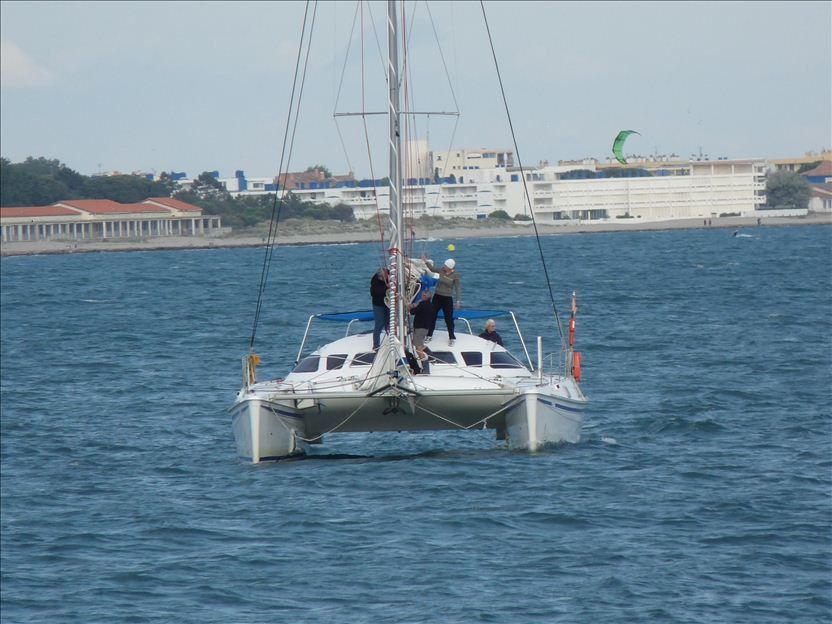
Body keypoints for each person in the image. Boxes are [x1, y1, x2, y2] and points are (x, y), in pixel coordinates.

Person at [422, 256, 462, 346]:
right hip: (437, 297)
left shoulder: (455, 275)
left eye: (446, 265)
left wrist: (458, 300)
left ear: (450, 267)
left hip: (447, 298)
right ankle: (429, 335)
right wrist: (426, 261)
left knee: (449, 319)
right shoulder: (441, 270)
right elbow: (432, 269)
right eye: (444, 265)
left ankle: (451, 337)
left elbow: (458, 288)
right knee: (432, 316)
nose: (444, 266)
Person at [370, 267, 389, 350]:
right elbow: (377, 292)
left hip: (387, 303)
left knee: (389, 322)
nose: (386, 277)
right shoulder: (375, 282)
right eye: (385, 276)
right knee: (379, 324)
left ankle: (390, 340)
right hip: (378, 305)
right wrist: (386, 287)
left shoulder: (389, 275)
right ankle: (376, 345)